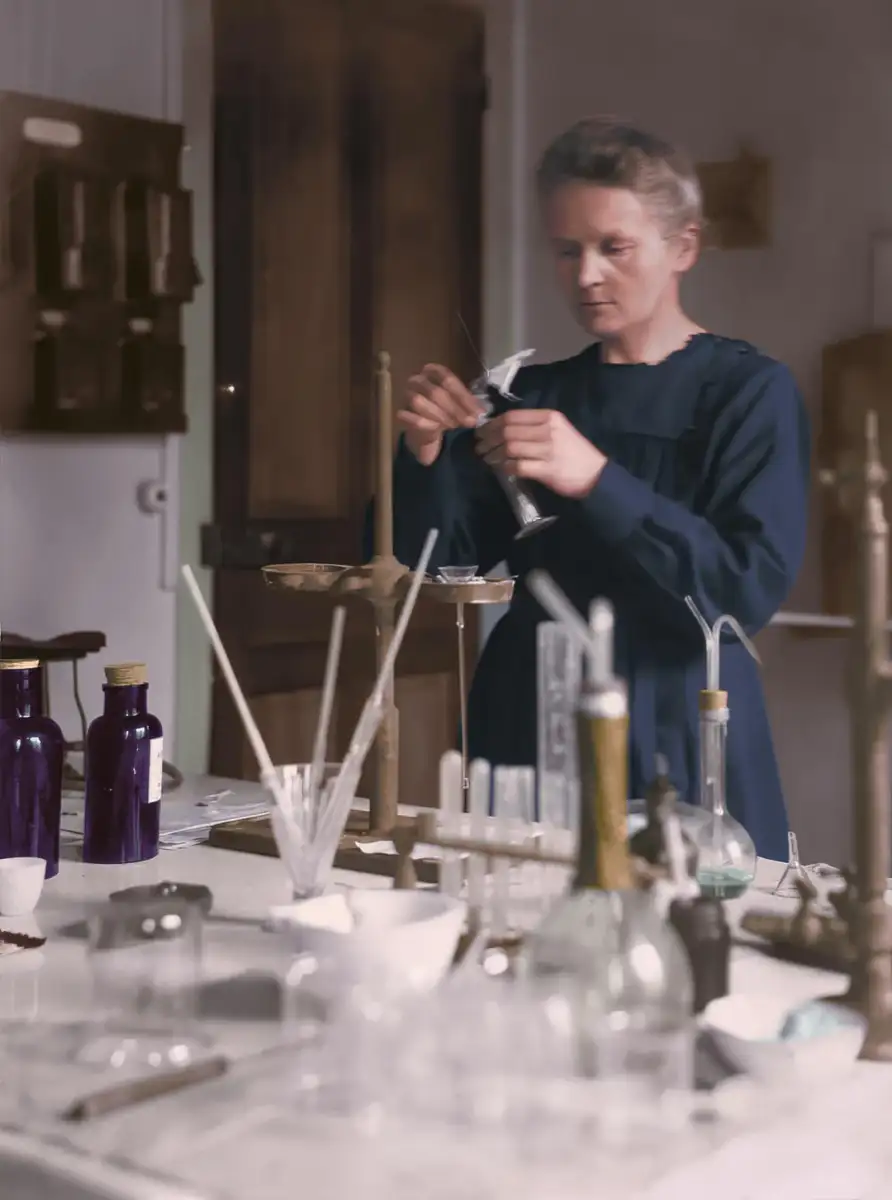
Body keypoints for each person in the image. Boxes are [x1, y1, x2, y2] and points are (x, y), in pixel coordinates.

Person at [375, 117, 810, 861]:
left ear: (683, 247)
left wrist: (598, 480)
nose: (585, 276)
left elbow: (743, 591)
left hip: (680, 719)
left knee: (688, 918)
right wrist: (425, 457)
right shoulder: (528, 395)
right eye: (567, 249)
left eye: (614, 247)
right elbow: (430, 569)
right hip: (528, 714)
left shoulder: (749, 392)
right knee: (516, 912)